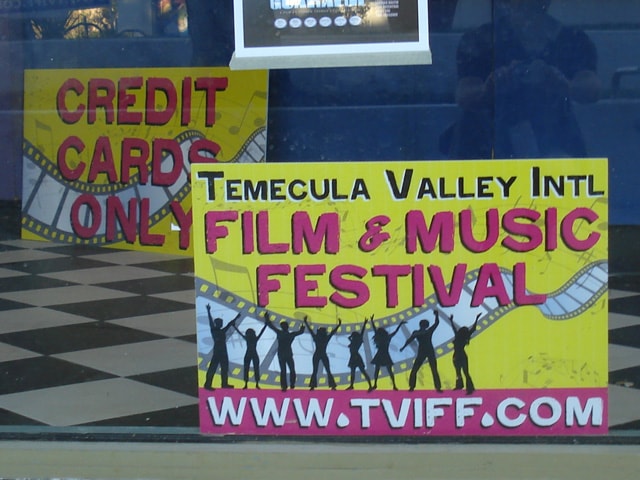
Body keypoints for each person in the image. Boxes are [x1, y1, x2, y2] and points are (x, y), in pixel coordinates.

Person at [441, 0, 600, 159]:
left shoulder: (573, 40)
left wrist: (564, 86)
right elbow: (464, 95)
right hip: (487, 143)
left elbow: (592, 89)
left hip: (555, 141)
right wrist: (488, 90)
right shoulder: (479, 41)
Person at [400, 311, 442, 392]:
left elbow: (409, 340)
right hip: (426, 351)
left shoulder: (419, 332)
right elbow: (409, 340)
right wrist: (403, 347)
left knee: (429, 369)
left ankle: (413, 387)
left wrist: (403, 347)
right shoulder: (425, 331)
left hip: (425, 351)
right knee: (429, 369)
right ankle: (437, 387)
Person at [264, 312, 305, 391]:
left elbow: (270, 325)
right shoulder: (290, 334)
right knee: (291, 370)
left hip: (282, 354)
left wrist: (266, 318)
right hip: (287, 354)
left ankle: (285, 386)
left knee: (284, 370)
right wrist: (303, 325)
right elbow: (301, 332)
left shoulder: (280, 333)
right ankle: (291, 385)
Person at [204, 304, 240, 390]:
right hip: (218, 351)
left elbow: (229, 324)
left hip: (223, 350)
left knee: (224, 368)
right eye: (220, 323)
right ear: (217, 323)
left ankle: (224, 384)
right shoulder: (214, 330)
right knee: (213, 368)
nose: (221, 324)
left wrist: (236, 317)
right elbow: (210, 321)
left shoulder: (222, 330)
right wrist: (208, 311)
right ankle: (208, 384)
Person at [445, 312, 481, 394]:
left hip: (457, 356)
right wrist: (476, 319)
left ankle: (463, 387)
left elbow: (454, 328)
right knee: (463, 372)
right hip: (461, 356)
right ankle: (468, 387)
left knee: (460, 373)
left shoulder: (458, 336)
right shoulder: (463, 336)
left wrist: (451, 321)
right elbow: (473, 329)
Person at [304, 317, 342, 390]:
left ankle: (313, 386)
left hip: (317, 354)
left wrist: (306, 322)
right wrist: (338, 325)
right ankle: (332, 386)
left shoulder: (317, 337)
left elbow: (310, 331)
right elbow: (332, 332)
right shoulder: (325, 338)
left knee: (316, 370)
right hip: (323, 354)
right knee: (327, 370)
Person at [369, 316, 406, 391]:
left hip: (379, 354)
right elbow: (395, 331)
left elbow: (374, 329)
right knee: (389, 371)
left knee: (377, 370)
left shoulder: (379, 337)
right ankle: (394, 385)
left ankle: (375, 384)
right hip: (385, 354)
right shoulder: (388, 337)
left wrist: (372, 321)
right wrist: (400, 324)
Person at [233, 319, 268, 389]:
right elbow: (261, 332)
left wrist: (234, 327)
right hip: (252, 354)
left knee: (249, 369)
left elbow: (239, 333)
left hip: (249, 354)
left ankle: (250, 384)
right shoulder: (253, 339)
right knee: (253, 369)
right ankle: (253, 384)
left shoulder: (249, 338)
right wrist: (266, 325)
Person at [346, 317, 373, 391]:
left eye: (353, 335)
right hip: (354, 357)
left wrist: (364, 324)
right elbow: (349, 338)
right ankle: (352, 385)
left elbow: (362, 332)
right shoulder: (354, 341)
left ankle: (370, 385)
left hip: (355, 357)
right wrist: (351, 336)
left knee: (361, 372)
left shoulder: (356, 341)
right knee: (354, 372)